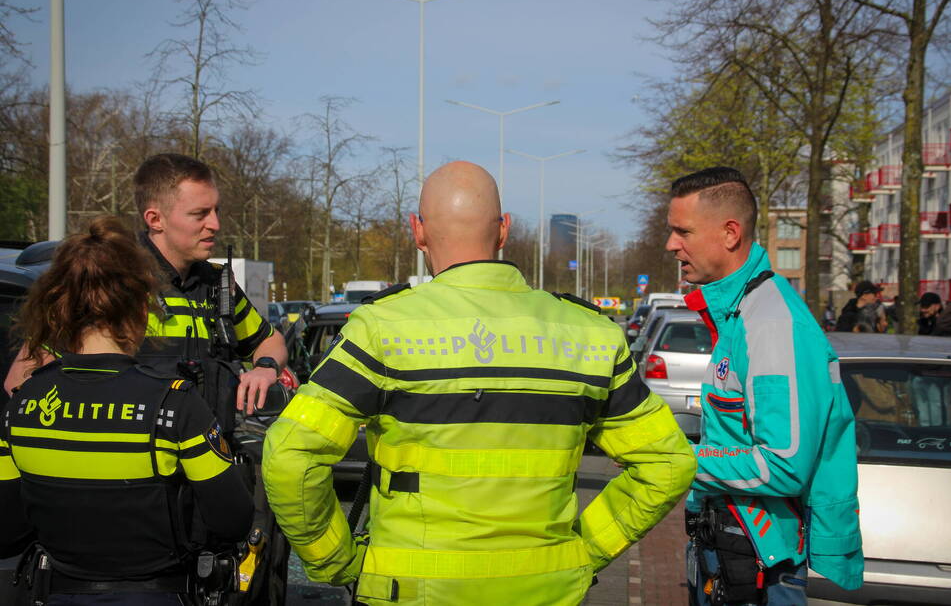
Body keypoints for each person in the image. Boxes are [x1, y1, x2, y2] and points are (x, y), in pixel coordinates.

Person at [262, 161, 695, 605]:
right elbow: (668, 463)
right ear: (504, 230)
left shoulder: (383, 329)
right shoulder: (590, 335)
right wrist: (584, 550)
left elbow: (289, 457)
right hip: (550, 591)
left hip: (409, 593)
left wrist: (337, 562)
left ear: (418, 231)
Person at [0, 216, 253, 604]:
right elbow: (232, 520)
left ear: (59, 306)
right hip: (157, 591)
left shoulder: (22, 406)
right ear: (140, 305)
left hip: (57, 590)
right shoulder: (174, 404)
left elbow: (7, 530)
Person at [665, 167, 862, 605]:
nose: (671, 245)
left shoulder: (770, 324)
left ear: (730, 232)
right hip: (735, 551)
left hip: (759, 568)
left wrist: (676, 460)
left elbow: (784, 464)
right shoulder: (741, 312)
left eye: (682, 231)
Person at [5, 153, 288, 418]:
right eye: (200, 214)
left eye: (217, 210)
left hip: (208, 464)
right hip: (129, 467)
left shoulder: (217, 283)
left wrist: (265, 368)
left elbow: (269, 340)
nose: (215, 223)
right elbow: (21, 381)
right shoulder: (110, 282)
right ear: (155, 219)